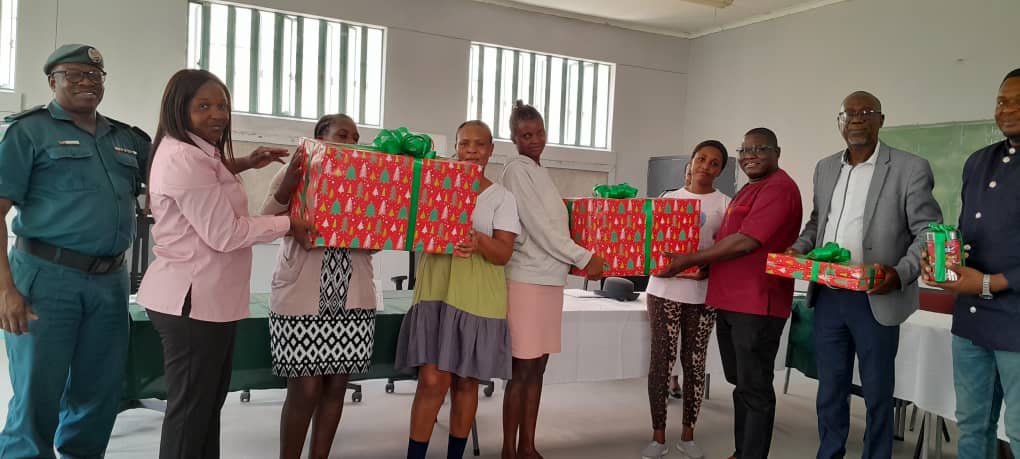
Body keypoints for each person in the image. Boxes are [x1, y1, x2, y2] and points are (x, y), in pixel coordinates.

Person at [136, 69, 314, 458]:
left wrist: (246, 162)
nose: (217, 114)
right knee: (191, 412)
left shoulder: (196, 150)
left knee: (205, 406)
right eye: (204, 106)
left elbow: (209, 179)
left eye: (222, 105)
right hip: (191, 302)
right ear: (179, 109)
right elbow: (224, 234)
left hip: (208, 299)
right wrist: (288, 223)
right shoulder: (184, 157)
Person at [0, 44, 151, 459]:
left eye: (95, 75)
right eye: (75, 74)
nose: (88, 81)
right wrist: (5, 290)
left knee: (98, 392)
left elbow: (183, 173)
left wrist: (243, 163)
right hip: (46, 279)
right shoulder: (28, 132)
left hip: (110, 283)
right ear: (53, 81)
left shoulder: (126, 139)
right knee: (37, 394)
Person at [788, 91, 941, 459]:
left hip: (876, 296)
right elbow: (818, 222)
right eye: (849, 113)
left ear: (881, 120)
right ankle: (830, 452)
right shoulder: (826, 167)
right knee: (830, 388)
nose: (856, 119)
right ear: (840, 122)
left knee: (877, 392)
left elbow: (928, 231)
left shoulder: (910, 168)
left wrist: (899, 273)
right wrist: (798, 249)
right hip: (828, 295)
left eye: (866, 112)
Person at [658, 127, 802, 459]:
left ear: (777, 152)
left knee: (754, 388)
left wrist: (689, 260)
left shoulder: (779, 188)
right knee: (742, 383)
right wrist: (703, 268)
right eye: (745, 150)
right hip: (729, 300)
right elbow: (727, 240)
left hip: (757, 303)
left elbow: (746, 241)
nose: (751, 155)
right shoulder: (749, 189)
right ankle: (742, 451)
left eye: (760, 148)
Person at [396, 120, 519, 459]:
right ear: (456, 147)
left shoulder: (502, 198)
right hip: (437, 290)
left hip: (478, 297)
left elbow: (503, 253)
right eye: (465, 144)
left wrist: (479, 241)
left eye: (479, 145)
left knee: (466, 382)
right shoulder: (434, 185)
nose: (471, 151)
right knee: (432, 381)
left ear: (491, 150)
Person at [262, 113, 377, 459]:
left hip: (352, 298)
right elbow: (265, 221)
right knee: (305, 389)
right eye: (342, 135)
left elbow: (375, 242)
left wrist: (371, 229)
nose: (350, 142)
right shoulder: (297, 171)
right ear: (320, 137)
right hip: (301, 297)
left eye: (355, 138)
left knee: (336, 388)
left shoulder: (366, 179)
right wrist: (287, 187)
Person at [498, 100, 605, 459]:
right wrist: (584, 257)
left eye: (539, 133)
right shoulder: (517, 169)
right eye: (525, 135)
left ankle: (528, 445)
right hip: (526, 281)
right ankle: (509, 450)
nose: (534, 140)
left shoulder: (538, 170)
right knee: (522, 369)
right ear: (513, 138)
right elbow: (540, 228)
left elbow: (555, 225)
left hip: (549, 281)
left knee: (539, 368)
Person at [922, 68, 1020, 458]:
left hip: (1016, 323)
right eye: (1002, 101)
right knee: (972, 426)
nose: (1007, 109)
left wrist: (989, 282)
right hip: (972, 321)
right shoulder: (979, 161)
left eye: (1018, 101)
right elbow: (969, 232)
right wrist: (943, 260)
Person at [641, 141, 732, 459]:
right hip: (663, 291)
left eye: (714, 162)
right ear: (690, 163)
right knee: (661, 362)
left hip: (703, 296)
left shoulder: (725, 204)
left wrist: (705, 270)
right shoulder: (668, 200)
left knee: (695, 364)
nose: (706, 166)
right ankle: (658, 437)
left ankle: (688, 436)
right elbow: (651, 243)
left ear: (720, 170)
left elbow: (727, 252)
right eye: (701, 159)